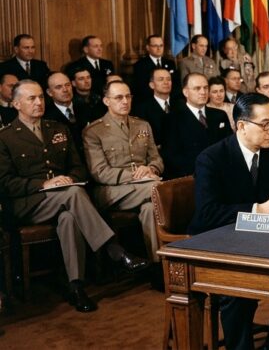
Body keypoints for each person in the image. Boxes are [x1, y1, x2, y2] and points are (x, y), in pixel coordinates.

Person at [0, 80, 148, 313]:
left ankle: (76, 286)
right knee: (74, 194)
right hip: (28, 204)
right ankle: (113, 249)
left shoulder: (57, 128)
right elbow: (5, 183)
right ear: (16, 103)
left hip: (65, 198)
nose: (39, 102)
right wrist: (44, 183)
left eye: (40, 97)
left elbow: (78, 168)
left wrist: (69, 178)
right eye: (31, 99)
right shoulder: (6, 137)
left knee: (69, 217)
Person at [189, 93, 269, 350]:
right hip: (220, 242)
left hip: (263, 240)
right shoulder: (211, 159)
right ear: (241, 126)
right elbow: (207, 214)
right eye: (265, 125)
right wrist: (258, 209)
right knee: (237, 291)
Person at [81, 80, 163, 262]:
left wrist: (150, 168)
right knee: (160, 189)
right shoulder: (94, 131)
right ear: (106, 101)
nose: (125, 101)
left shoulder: (142, 125)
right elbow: (100, 172)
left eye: (128, 96)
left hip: (146, 187)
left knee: (151, 208)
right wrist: (137, 175)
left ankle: (157, 266)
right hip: (112, 192)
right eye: (118, 97)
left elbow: (156, 159)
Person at [160, 74, 233, 179]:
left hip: (222, 174)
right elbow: (171, 156)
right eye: (197, 88)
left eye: (205, 88)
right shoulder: (172, 119)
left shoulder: (219, 115)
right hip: (191, 177)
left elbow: (229, 146)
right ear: (185, 92)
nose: (203, 92)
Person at [130, 68, 175, 146]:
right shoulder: (141, 109)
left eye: (168, 79)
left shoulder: (181, 104)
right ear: (152, 85)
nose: (166, 82)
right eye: (161, 79)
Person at [131, 35, 177, 100]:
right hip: (150, 101)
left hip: (170, 99)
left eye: (161, 45)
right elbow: (141, 88)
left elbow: (175, 84)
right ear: (148, 47)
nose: (159, 48)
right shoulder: (140, 65)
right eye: (155, 46)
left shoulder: (170, 63)